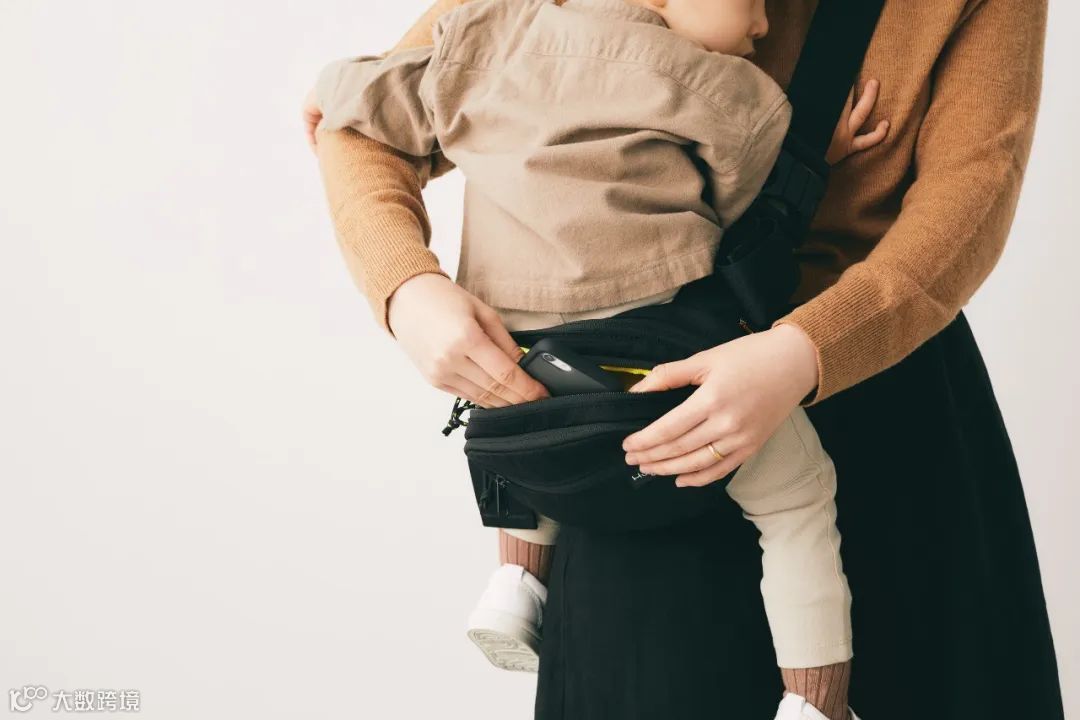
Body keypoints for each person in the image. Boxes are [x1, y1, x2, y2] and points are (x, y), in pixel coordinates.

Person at [304, 0, 1066, 718]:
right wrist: (407, 289)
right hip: (641, 403)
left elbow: (973, 194)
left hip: (880, 383)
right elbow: (367, 120)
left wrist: (803, 353)